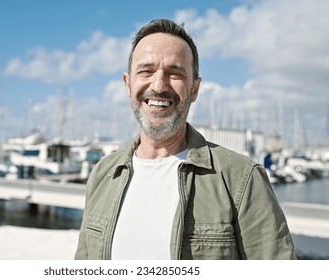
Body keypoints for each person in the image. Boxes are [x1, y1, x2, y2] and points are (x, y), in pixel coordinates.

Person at [74, 18, 296, 260]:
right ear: (128, 83)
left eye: (175, 73)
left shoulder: (241, 178)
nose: (158, 85)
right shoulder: (102, 175)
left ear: (194, 89)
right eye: (146, 71)